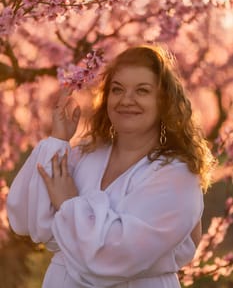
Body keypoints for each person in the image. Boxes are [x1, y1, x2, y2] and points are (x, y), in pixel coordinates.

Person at [7, 45, 214, 288]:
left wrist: (68, 206)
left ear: (164, 101)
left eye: (142, 91)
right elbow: (28, 220)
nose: (126, 100)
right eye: (117, 89)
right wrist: (58, 140)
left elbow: (118, 255)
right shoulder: (86, 153)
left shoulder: (177, 175)